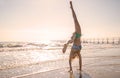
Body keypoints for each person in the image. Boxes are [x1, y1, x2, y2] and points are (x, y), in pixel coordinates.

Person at [62, 1, 82, 72]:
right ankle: (67, 44)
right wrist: (80, 68)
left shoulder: (77, 52)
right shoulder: (77, 52)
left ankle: (67, 44)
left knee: (71, 40)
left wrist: (79, 68)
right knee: (75, 19)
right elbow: (79, 61)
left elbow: (76, 61)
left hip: (78, 45)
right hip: (77, 41)